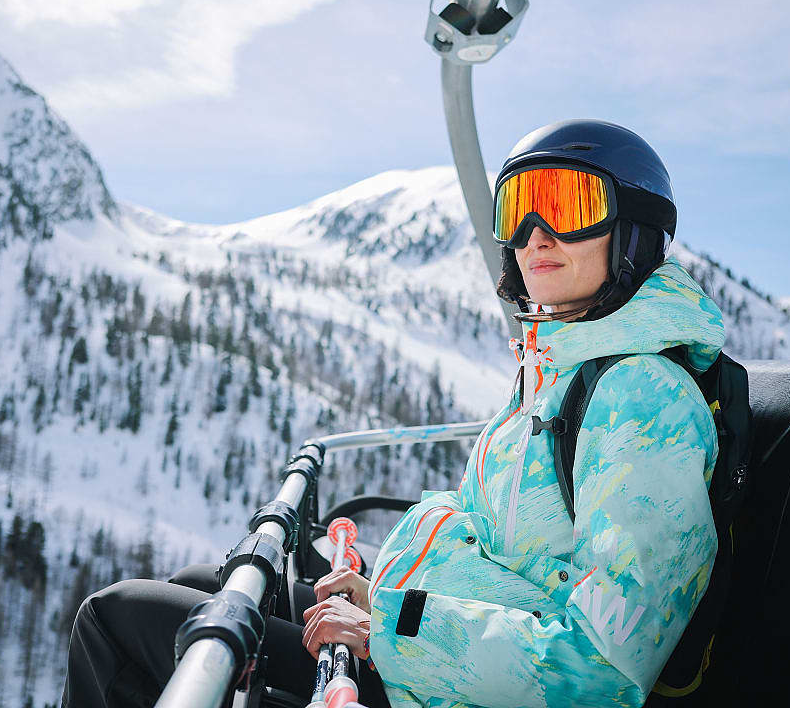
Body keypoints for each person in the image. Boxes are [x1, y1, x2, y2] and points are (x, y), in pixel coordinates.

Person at [63, 119, 723, 708]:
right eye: (517, 211)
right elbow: (486, 544)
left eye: (570, 206)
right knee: (203, 589)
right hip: (433, 662)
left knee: (118, 624)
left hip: (447, 682)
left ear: (633, 227)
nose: (535, 236)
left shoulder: (641, 399)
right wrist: (381, 591)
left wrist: (390, 632)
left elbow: (605, 669)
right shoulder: (557, 374)